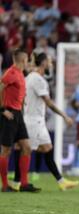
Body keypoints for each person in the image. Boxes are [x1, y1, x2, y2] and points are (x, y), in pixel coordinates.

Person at [11, 52, 79, 191]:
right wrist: (65, 116)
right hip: (33, 121)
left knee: (47, 149)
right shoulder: (38, 80)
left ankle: (61, 182)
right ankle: (19, 182)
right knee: (26, 150)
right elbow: (49, 103)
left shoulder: (30, 77)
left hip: (36, 120)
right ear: (43, 63)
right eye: (49, 62)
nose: (51, 64)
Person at [0, 49, 40, 192]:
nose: (29, 61)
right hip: (8, 114)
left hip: (18, 114)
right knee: (6, 151)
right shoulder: (11, 73)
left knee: (26, 147)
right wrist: (2, 110)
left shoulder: (20, 73)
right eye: (27, 59)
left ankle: (24, 184)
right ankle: (4, 185)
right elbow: (0, 87)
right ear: (23, 60)